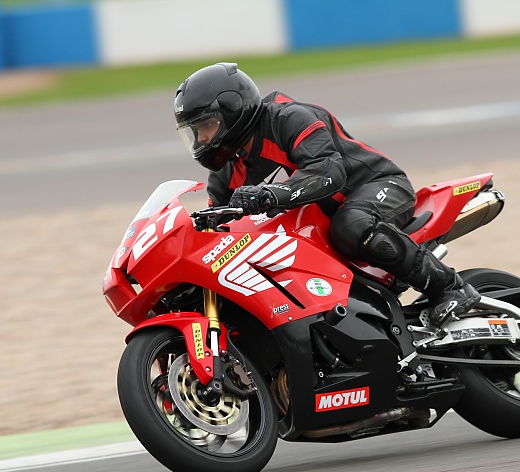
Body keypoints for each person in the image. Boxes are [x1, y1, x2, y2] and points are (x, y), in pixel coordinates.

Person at [174, 62, 479, 328]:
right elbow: (220, 231)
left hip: (374, 187)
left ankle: (449, 287)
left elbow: (329, 172)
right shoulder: (224, 173)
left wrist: (271, 193)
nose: (202, 139)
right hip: (317, 229)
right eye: (195, 132)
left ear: (233, 112)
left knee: (351, 226)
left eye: (207, 126)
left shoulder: (288, 119)